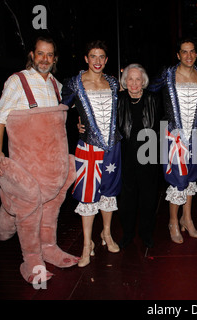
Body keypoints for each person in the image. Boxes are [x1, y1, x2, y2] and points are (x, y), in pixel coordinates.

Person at [0, 35, 79, 283]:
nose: (45, 59)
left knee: (50, 206)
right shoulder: (17, 82)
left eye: (50, 55)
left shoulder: (56, 85)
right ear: (32, 55)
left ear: (55, 59)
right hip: (27, 168)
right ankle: (31, 259)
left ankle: (48, 247)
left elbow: (73, 109)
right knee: (29, 205)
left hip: (53, 169)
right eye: (40, 53)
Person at [61, 40, 122, 267]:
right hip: (87, 148)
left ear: (106, 60)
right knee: (88, 196)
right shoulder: (75, 83)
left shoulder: (113, 83)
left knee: (109, 192)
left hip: (112, 148)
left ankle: (106, 234)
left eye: (101, 57)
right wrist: (74, 127)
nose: (97, 61)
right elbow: (61, 109)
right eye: (93, 56)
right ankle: (87, 244)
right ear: (86, 59)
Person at [149, 38, 197, 244]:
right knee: (177, 179)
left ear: (196, 54)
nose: (188, 56)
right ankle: (172, 221)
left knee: (191, 177)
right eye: (184, 52)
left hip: (196, 134)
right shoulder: (167, 74)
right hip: (173, 134)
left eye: (192, 52)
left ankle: (187, 218)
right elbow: (147, 90)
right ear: (178, 55)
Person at [117, 63, 161, 249]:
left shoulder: (154, 99)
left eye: (137, 79)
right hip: (125, 155)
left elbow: (164, 126)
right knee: (127, 199)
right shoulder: (118, 100)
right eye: (130, 79)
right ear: (125, 82)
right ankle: (127, 233)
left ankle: (146, 233)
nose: (134, 83)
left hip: (148, 156)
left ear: (143, 82)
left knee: (148, 198)